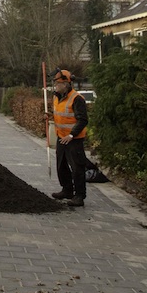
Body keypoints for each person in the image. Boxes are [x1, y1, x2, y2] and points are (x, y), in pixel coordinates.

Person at [51, 68, 89, 207]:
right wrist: (48, 116)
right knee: (61, 166)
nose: (56, 86)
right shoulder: (56, 97)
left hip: (74, 139)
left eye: (58, 83)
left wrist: (72, 135)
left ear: (66, 84)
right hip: (61, 137)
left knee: (77, 167)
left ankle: (79, 196)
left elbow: (83, 120)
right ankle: (67, 190)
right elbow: (59, 114)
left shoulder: (77, 99)